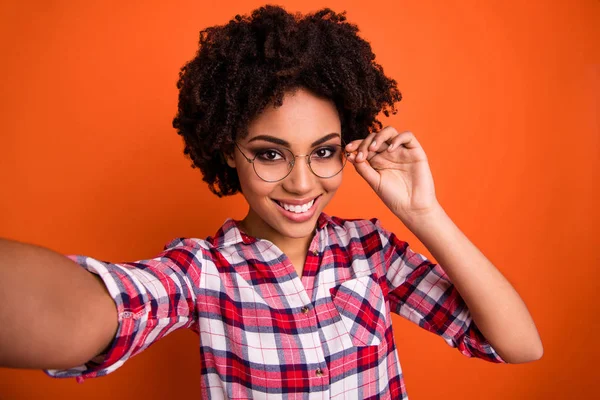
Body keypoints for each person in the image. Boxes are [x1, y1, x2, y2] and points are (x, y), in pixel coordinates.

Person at [0, 5, 542, 399]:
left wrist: (425, 214)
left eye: (324, 152)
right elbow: (97, 309)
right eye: (270, 154)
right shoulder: (203, 274)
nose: (303, 185)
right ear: (227, 151)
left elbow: (519, 346)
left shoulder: (372, 253)